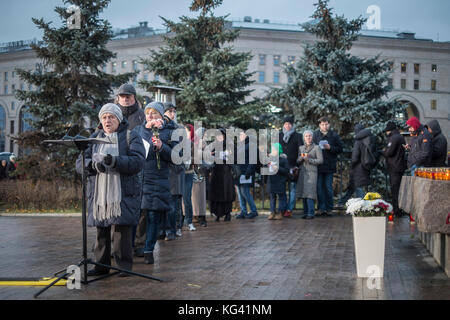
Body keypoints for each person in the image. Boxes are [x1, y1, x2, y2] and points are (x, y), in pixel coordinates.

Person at [78, 103, 145, 277]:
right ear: (100, 120)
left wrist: (114, 161)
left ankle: (124, 266)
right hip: (99, 191)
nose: (108, 120)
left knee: (122, 230)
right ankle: (101, 265)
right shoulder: (94, 138)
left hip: (123, 190)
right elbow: (80, 163)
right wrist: (92, 165)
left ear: (119, 119)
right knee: (101, 228)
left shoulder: (131, 136)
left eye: (111, 117)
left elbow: (137, 162)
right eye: (104, 117)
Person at [136, 101, 177, 265]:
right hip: (139, 178)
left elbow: (176, 157)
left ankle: (148, 250)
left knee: (153, 216)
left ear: (161, 115)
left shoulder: (170, 131)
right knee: (138, 216)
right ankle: (133, 248)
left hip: (157, 180)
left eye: (154, 113)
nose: (151, 116)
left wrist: (162, 147)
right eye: (148, 113)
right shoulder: (139, 130)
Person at [115, 83, 147, 257]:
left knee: (140, 207)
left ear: (134, 97)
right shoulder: (113, 115)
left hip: (139, 164)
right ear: (118, 98)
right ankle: (119, 246)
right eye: (122, 96)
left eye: (128, 96)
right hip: (118, 165)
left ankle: (139, 243)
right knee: (118, 206)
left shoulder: (142, 116)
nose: (125, 98)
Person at [159, 102, 185, 240]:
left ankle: (172, 230)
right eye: (169, 111)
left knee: (173, 205)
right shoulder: (157, 129)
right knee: (163, 204)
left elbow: (180, 153)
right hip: (162, 173)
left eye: (173, 111)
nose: (172, 114)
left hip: (174, 172)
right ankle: (162, 229)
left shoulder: (177, 129)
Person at [313, 117, 343, 216]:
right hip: (318, 165)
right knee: (319, 188)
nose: (324, 126)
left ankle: (329, 208)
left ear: (329, 124)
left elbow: (340, 149)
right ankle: (321, 208)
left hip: (329, 165)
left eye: (326, 124)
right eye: (322, 124)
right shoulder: (316, 134)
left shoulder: (334, 135)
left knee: (328, 188)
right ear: (319, 125)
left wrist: (330, 148)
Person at [339, 124, 377, 204]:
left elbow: (355, 157)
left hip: (357, 168)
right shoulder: (370, 139)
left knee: (358, 188)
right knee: (353, 187)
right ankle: (341, 203)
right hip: (366, 166)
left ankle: (363, 207)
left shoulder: (358, 141)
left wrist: (352, 165)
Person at [209, 128, 235, 222]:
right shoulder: (214, 145)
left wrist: (226, 155)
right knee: (217, 193)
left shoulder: (229, 145)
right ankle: (218, 214)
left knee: (226, 193)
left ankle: (227, 213)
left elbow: (233, 158)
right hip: (216, 171)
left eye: (221, 135)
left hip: (226, 171)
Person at [279, 116, 303, 217]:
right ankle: (283, 208)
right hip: (282, 167)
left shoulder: (297, 136)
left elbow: (300, 150)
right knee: (283, 189)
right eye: (286, 124)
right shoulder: (279, 135)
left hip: (293, 166)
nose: (287, 125)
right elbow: (276, 148)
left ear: (292, 125)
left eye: (289, 124)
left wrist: (298, 163)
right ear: (283, 125)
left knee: (292, 189)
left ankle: (289, 209)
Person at [296, 130, 323, 219]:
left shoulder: (316, 147)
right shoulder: (301, 148)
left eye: (310, 136)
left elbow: (320, 160)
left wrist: (309, 160)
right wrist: (301, 158)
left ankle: (311, 213)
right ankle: (306, 212)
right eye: (306, 136)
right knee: (304, 193)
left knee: (310, 193)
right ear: (304, 138)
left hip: (312, 173)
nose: (308, 137)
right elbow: (297, 161)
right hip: (303, 173)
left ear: (312, 137)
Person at [382, 121, 407, 217]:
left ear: (390, 130)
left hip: (394, 167)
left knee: (395, 190)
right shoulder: (400, 137)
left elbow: (389, 152)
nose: (386, 133)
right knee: (398, 189)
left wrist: (382, 151)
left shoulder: (393, 138)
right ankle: (398, 210)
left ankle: (397, 211)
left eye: (387, 131)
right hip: (399, 166)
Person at [235, 129, 258, 219]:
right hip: (239, 173)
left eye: (242, 135)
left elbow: (253, 161)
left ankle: (253, 210)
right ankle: (243, 211)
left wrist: (248, 172)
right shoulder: (241, 145)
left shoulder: (251, 145)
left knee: (245, 192)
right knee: (240, 193)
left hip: (246, 173)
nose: (240, 136)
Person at [267, 143, 289, 221]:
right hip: (272, 181)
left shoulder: (283, 160)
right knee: (272, 197)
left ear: (278, 150)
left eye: (274, 150)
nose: (273, 151)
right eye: (272, 149)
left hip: (280, 181)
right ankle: (272, 212)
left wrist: (278, 168)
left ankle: (280, 212)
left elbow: (286, 171)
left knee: (281, 197)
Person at [192, 127, 208, 227]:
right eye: (204, 133)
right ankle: (196, 216)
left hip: (201, 172)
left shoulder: (204, 143)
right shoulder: (195, 143)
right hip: (195, 172)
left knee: (201, 197)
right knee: (195, 197)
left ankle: (201, 217)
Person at [182, 124, 197, 231]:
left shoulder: (191, 144)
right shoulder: (176, 143)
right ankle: (179, 224)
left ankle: (189, 221)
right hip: (177, 174)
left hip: (188, 173)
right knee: (177, 199)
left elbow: (195, 158)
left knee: (187, 198)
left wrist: (188, 159)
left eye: (186, 131)